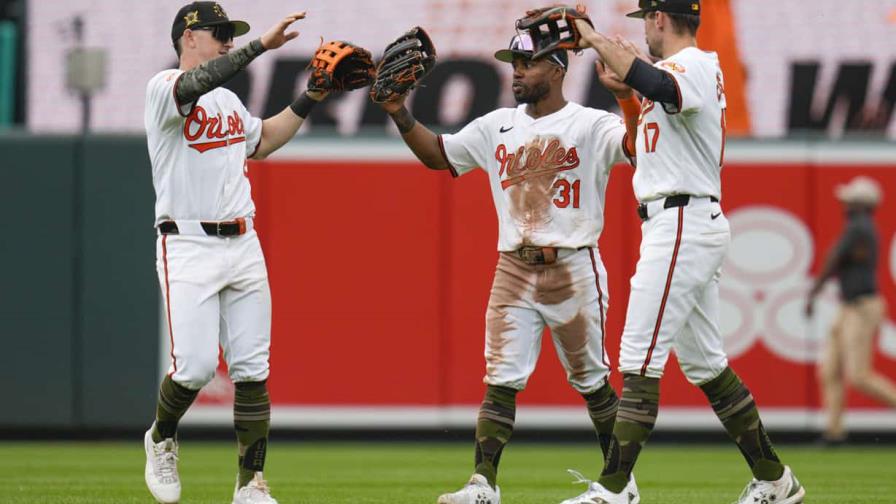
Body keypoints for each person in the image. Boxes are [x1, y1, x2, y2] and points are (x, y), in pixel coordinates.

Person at [376, 27, 642, 504]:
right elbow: (440, 156)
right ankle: (483, 485)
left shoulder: (588, 123)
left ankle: (621, 484)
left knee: (593, 382)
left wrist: (626, 100)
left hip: (573, 264)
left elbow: (638, 147)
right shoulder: (497, 123)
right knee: (500, 378)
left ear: (557, 69)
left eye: (529, 63)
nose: (517, 71)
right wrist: (399, 112)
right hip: (513, 267)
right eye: (514, 63)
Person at [570, 1, 806, 502]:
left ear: (659, 18)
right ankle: (776, 481)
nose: (645, 34)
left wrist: (593, 37)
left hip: (681, 220)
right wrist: (626, 98)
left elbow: (659, 85)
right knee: (706, 366)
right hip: (679, 220)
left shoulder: (693, 65)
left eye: (646, 21)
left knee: (638, 357)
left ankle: (614, 489)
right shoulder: (676, 73)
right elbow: (648, 127)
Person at [142, 3, 334, 503]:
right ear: (189, 38)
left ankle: (250, 484)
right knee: (196, 368)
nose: (227, 41)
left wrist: (311, 96)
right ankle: (162, 436)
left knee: (252, 368)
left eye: (233, 35)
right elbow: (192, 85)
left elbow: (264, 140)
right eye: (219, 33)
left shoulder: (226, 100)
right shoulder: (163, 90)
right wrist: (261, 47)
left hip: (243, 241)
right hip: (186, 242)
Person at [806, 175, 896, 444]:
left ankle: (835, 431)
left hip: (861, 306)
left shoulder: (859, 227)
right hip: (848, 306)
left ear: (861, 203)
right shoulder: (860, 227)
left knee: (859, 375)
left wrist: (814, 291)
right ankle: (834, 432)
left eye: (850, 200)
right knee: (829, 371)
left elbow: (835, 258)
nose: (844, 204)